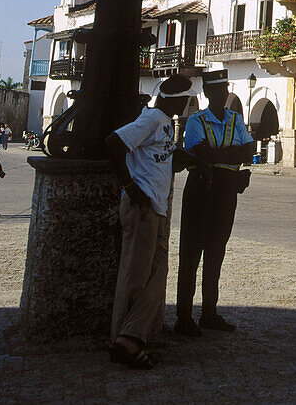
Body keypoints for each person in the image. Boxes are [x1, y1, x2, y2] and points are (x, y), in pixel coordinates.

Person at [105, 75, 196, 369]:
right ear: (174, 100)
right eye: (185, 100)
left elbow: (160, 157)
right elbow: (114, 143)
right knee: (134, 275)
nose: (186, 105)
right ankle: (123, 340)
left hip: (156, 208)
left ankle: (131, 336)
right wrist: (131, 187)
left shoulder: (165, 124)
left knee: (157, 271)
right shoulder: (152, 119)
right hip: (142, 206)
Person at [174, 69, 255, 337]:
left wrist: (217, 156)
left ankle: (209, 312)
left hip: (225, 192)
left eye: (225, 91)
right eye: (216, 91)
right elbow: (198, 152)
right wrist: (230, 155)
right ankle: (183, 316)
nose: (222, 95)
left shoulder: (235, 119)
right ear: (208, 94)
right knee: (190, 254)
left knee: (216, 252)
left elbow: (249, 151)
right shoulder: (197, 121)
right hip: (201, 189)